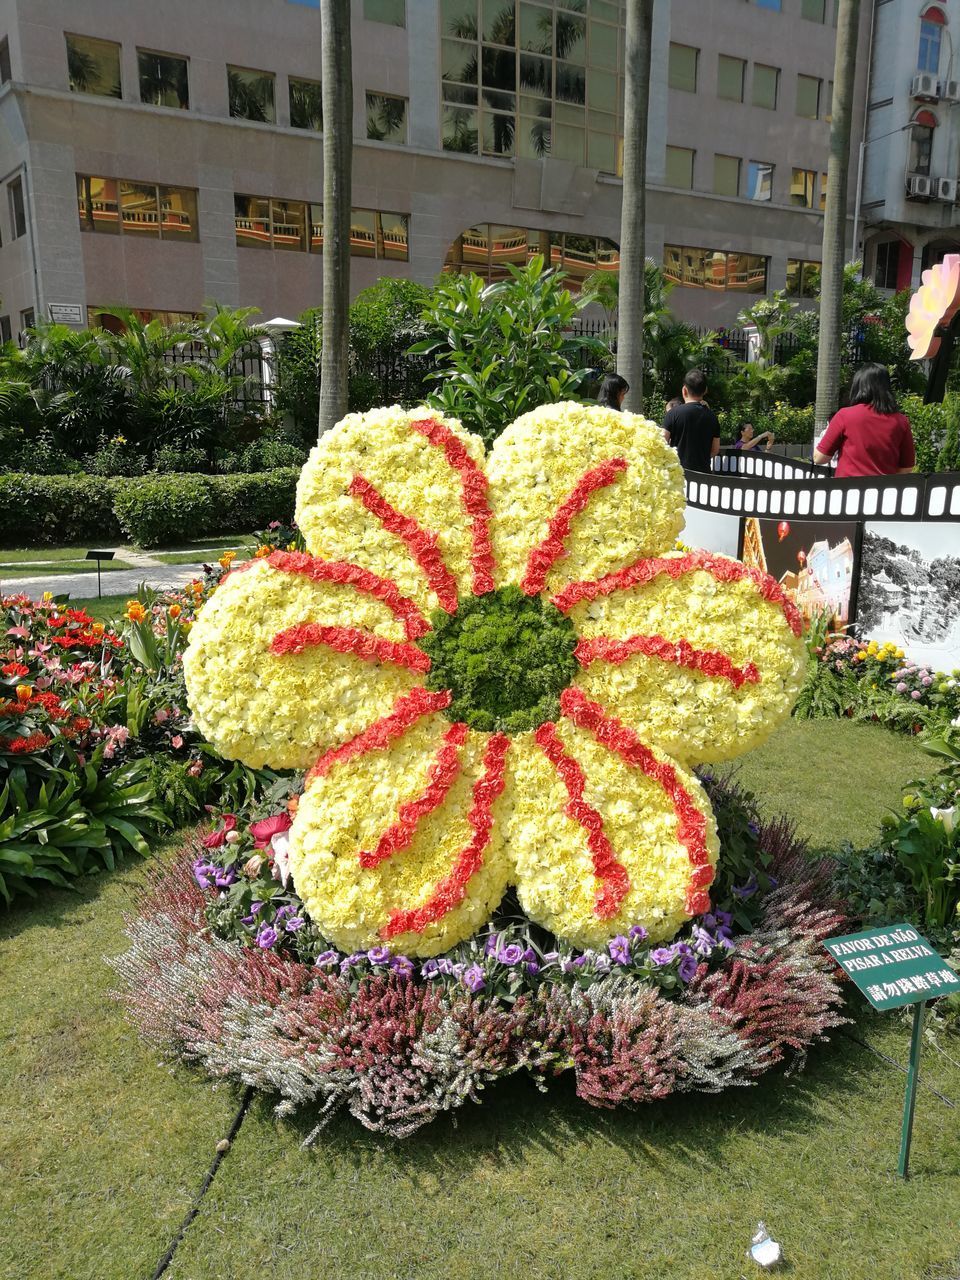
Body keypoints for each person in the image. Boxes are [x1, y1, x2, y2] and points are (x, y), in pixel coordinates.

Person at [814, 363, 915, 477]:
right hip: (884, 491)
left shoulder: (845, 415)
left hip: (848, 491)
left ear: (858, 386)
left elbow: (820, 458)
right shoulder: (901, 421)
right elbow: (907, 467)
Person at [662, 369, 721, 472]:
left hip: (678, 474)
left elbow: (662, 443)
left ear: (684, 390)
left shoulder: (673, 414)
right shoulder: (712, 417)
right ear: (705, 390)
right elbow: (715, 450)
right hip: (703, 476)